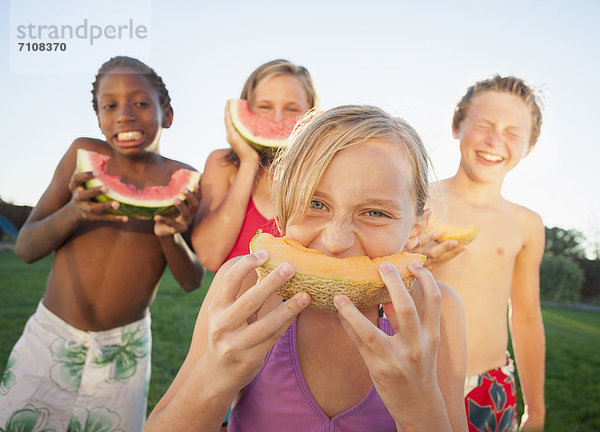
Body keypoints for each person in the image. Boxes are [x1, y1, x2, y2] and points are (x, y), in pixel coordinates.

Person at [144, 105, 468, 432]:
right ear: (284, 209)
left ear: (416, 226)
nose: (336, 240)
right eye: (315, 204)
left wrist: (418, 405)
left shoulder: (437, 313)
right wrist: (216, 374)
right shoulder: (243, 286)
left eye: (375, 213)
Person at [0, 56, 205, 432]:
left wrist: (169, 236)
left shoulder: (185, 179)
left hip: (124, 348)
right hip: (51, 333)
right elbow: (27, 248)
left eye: (140, 103)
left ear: (168, 113)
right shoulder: (82, 157)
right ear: (98, 118)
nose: (124, 115)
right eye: (109, 106)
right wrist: (74, 212)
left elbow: (192, 280)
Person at [414, 76, 546, 431]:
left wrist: (536, 410)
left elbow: (526, 317)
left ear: (529, 147)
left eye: (512, 132)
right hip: (413, 378)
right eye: (485, 125)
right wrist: (414, 261)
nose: (495, 140)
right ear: (457, 125)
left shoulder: (527, 224)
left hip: (491, 386)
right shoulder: (415, 202)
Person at [192, 59, 317, 271]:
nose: (277, 119)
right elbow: (210, 256)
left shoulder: (322, 173)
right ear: (246, 109)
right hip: (232, 304)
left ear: (311, 115)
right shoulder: (223, 164)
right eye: (265, 107)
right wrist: (248, 162)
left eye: (291, 109)